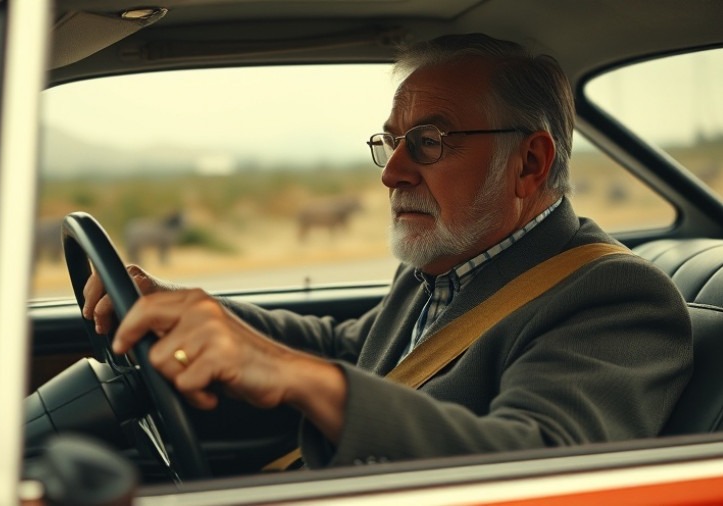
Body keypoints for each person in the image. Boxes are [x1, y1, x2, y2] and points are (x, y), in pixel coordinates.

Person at [82, 33, 692, 468]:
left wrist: (296, 378)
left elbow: (540, 466)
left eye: (428, 142)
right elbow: (351, 351)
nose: (392, 172)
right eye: (393, 142)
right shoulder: (447, 264)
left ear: (529, 163)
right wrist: (192, 309)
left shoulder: (613, 298)